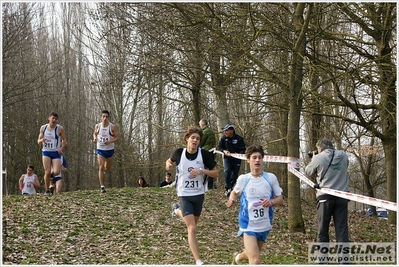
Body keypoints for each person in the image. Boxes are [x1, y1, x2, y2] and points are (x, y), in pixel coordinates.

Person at [165, 126, 218, 265]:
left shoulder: (204, 155)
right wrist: (168, 165)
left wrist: (202, 171)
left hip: (199, 194)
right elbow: (169, 161)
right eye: (193, 138)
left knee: (193, 224)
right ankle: (198, 260)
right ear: (187, 139)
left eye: (198, 139)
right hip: (184, 193)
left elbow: (216, 173)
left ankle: (176, 211)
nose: (195, 140)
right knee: (192, 228)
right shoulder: (178, 153)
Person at [226, 145, 283, 265]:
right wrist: (232, 199)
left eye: (260, 158)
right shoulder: (243, 179)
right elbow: (234, 193)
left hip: (264, 224)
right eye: (254, 157)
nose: (257, 160)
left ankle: (237, 258)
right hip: (248, 224)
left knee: (252, 253)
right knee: (255, 260)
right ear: (248, 160)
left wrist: (271, 202)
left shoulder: (271, 178)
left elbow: (280, 199)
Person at [304, 138, 350, 264]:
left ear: (320, 148)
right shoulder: (344, 155)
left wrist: (314, 158)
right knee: (342, 230)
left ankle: (323, 261)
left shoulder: (318, 158)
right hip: (342, 197)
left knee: (323, 230)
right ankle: (344, 261)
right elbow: (346, 166)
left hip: (325, 198)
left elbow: (308, 171)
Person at [37, 112, 68, 195]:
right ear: (49, 118)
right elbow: (38, 141)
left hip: (55, 152)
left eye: (56, 119)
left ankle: (51, 175)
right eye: (53, 118)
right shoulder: (43, 128)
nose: (54, 120)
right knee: (47, 171)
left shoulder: (60, 129)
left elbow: (64, 140)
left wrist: (61, 148)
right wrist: (41, 140)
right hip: (46, 151)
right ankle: (47, 189)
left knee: (57, 172)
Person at [93, 110, 120, 193]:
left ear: (109, 118)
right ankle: (102, 186)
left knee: (107, 167)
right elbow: (95, 133)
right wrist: (94, 138)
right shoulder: (98, 126)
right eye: (103, 116)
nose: (105, 118)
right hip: (100, 148)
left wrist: (110, 141)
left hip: (109, 150)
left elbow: (118, 138)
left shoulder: (112, 127)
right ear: (101, 117)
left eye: (106, 117)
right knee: (101, 167)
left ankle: (105, 165)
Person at [218, 123, 246, 197]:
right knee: (227, 171)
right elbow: (220, 147)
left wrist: (239, 154)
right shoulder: (223, 138)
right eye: (224, 130)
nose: (225, 132)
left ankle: (230, 186)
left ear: (231, 131)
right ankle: (228, 188)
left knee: (235, 175)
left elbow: (243, 149)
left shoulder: (239, 139)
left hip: (237, 159)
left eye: (226, 130)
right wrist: (224, 151)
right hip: (227, 158)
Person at [199, 119, 216, 189]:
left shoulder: (205, 132)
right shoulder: (211, 131)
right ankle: (210, 186)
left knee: (205, 168)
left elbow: (201, 142)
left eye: (200, 125)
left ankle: (204, 184)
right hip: (212, 151)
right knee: (211, 167)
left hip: (206, 151)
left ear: (202, 125)